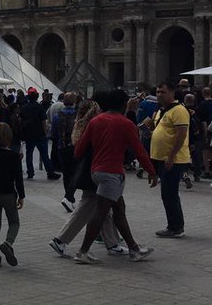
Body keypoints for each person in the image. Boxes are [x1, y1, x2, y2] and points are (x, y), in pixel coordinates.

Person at [72, 88, 156, 264]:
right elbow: (139, 151)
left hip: (96, 172)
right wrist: (151, 171)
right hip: (112, 173)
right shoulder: (126, 124)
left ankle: (134, 248)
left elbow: (79, 149)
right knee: (101, 212)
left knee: (119, 209)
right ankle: (83, 252)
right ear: (124, 105)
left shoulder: (95, 121)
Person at [49, 98, 123, 258]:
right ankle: (60, 240)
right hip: (94, 172)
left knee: (103, 208)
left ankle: (113, 243)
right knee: (88, 207)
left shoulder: (81, 125)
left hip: (87, 171)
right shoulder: (94, 125)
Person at [148, 81, 191, 238]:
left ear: (172, 92)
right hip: (161, 157)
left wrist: (171, 156)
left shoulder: (179, 110)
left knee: (169, 193)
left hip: (174, 159)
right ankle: (174, 225)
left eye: (163, 92)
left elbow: (181, 135)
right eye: (158, 91)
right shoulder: (161, 110)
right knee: (166, 193)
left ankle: (175, 227)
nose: (159, 94)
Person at [0, 122, 24, 267]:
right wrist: (22, 196)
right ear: (9, 137)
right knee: (14, 222)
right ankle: (8, 243)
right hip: (8, 193)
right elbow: (18, 178)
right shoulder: (14, 156)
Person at [21, 89, 57, 179]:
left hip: (29, 134)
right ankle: (50, 172)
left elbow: (21, 120)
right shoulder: (39, 107)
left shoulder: (24, 107)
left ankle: (30, 172)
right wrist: (45, 133)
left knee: (29, 154)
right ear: (37, 97)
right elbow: (43, 122)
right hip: (39, 134)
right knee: (44, 154)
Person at [51, 92, 78, 211]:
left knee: (66, 174)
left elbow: (53, 133)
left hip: (61, 147)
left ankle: (68, 197)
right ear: (74, 102)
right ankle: (69, 197)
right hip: (75, 147)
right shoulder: (78, 116)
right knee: (76, 173)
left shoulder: (57, 116)